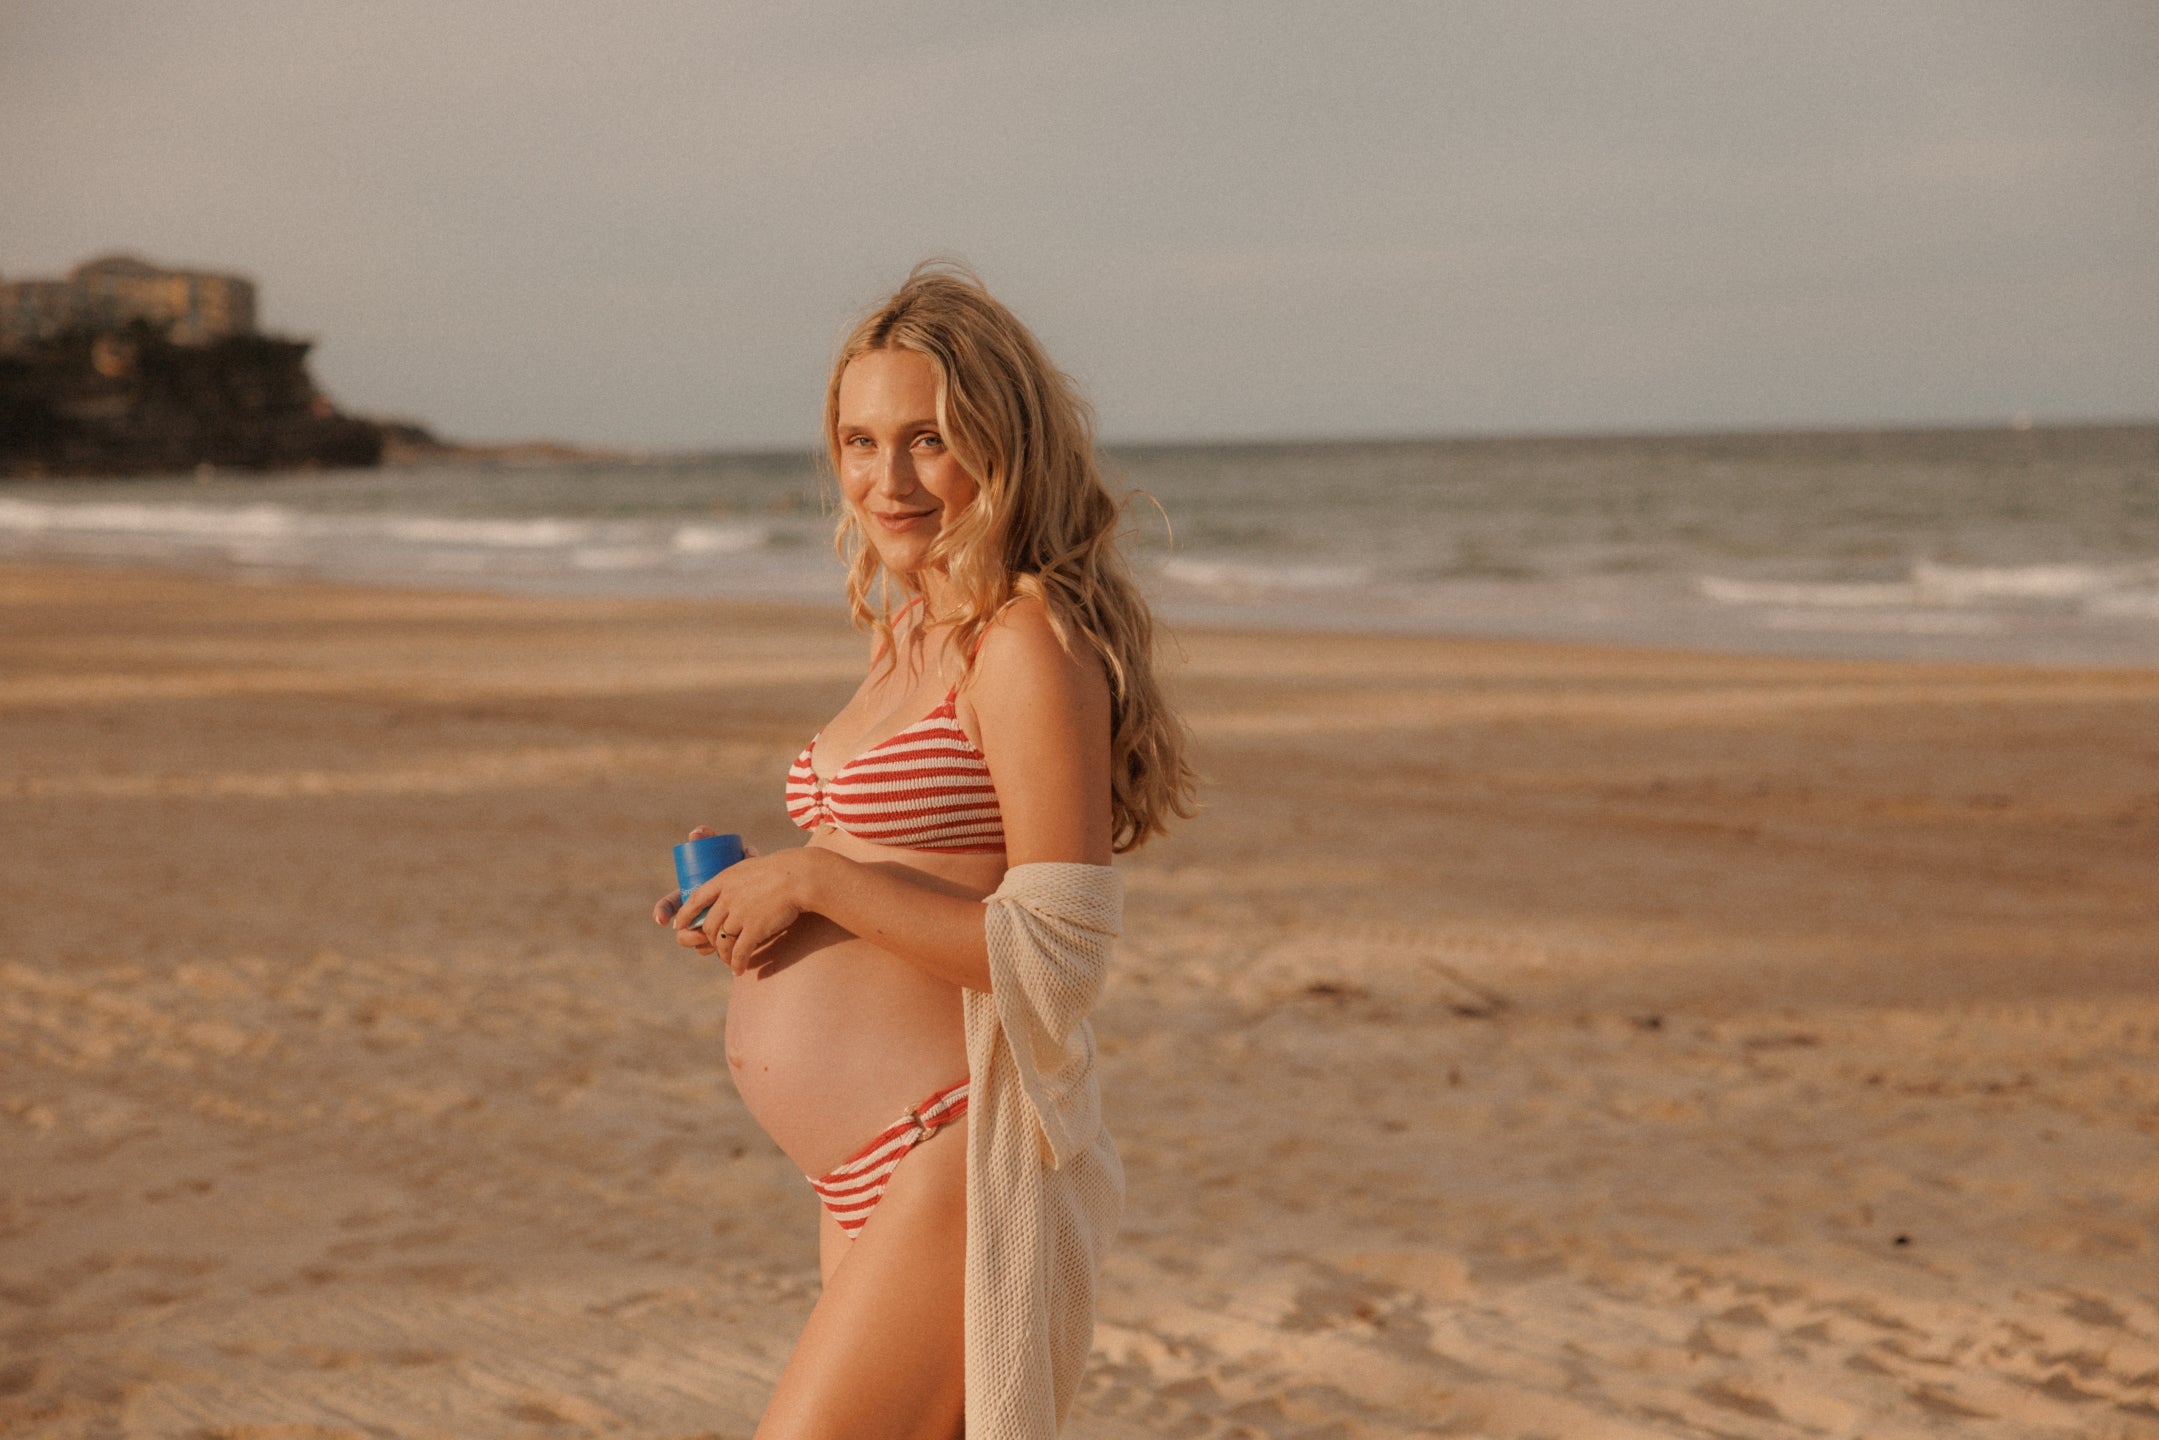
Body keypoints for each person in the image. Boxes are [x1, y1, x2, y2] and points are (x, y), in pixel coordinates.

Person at [654, 262, 1195, 1440]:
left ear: (1001, 447)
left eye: (926, 441)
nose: (883, 480)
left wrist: (814, 877)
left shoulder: (1025, 644)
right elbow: (902, 882)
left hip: (955, 1153)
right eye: (858, 441)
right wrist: (761, 890)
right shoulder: (908, 629)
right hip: (855, 1173)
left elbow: (1057, 961)